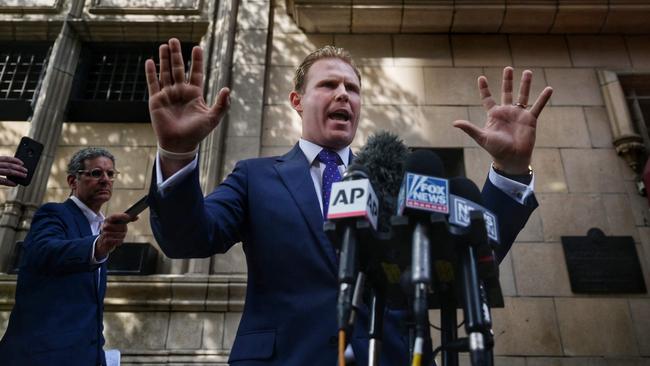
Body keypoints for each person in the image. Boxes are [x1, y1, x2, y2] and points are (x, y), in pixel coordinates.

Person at [144, 38, 552, 365]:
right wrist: (177, 154)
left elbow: (472, 257)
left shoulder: (400, 180)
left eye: (352, 89)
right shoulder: (255, 177)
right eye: (328, 85)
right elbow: (188, 240)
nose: (343, 94)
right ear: (297, 101)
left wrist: (510, 170)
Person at [0, 147, 136, 366]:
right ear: (73, 181)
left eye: (111, 174)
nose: (105, 180)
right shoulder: (54, 213)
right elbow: (44, 251)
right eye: (96, 173)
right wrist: (98, 246)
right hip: (41, 355)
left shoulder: (100, 228)